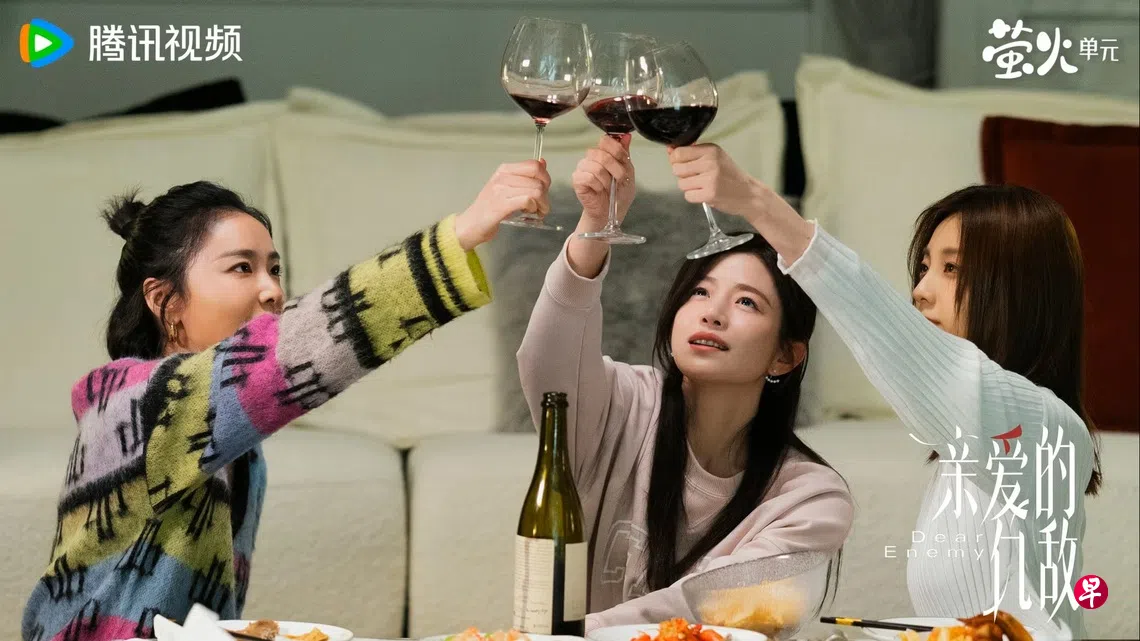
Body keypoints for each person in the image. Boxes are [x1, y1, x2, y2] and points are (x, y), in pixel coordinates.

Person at [22, 161, 552, 641]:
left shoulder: (232, 446)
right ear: (164, 300)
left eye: (273, 269)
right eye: (242, 268)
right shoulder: (134, 405)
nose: (273, 290)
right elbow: (298, 345)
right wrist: (458, 238)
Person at [662, 142, 1102, 638]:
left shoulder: (1045, 429)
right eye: (925, 268)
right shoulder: (968, 454)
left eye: (952, 268)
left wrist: (756, 202)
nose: (920, 290)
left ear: (1021, 289)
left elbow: (906, 346)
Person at [516, 134, 854, 630]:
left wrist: (568, 637)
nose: (712, 313)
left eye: (746, 302)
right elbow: (548, 367)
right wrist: (594, 227)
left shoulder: (809, 499)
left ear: (785, 355)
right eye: (699, 292)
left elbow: (713, 609)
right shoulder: (624, 404)